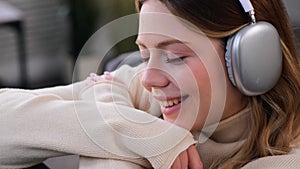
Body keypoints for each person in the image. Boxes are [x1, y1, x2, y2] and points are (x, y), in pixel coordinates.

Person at [0, 0, 300, 169]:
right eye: (145, 55)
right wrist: (138, 133)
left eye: (176, 56)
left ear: (251, 57)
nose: (148, 78)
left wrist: (106, 118)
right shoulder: (148, 91)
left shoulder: (287, 159)